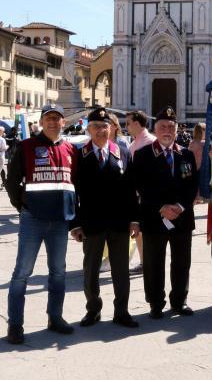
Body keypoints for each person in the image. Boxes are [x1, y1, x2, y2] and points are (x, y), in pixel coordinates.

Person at [5, 103, 77, 344]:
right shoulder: (26, 147)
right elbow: (12, 181)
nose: (53, 122)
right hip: (33, 220)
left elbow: (74, 184)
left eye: (57, 118)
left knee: (58, 273)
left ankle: (54, 317)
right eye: (49, 118)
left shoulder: (69, 149)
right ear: (42, 121)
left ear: (63, 122)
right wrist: (23, 206)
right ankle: (15, 324)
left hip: (59, 222)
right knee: (22, 273)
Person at [70, 107, 140, 328]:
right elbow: (72, 191)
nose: (101, 130)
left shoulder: (123, 153)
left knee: (121, 270)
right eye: (96, 127)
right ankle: (93, 310)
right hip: (91, 223)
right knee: (90, 271)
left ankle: (122, 311)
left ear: (111, 129)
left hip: (119, 223)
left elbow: (131, 189)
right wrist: (75, 224)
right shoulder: (79, 155)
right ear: (88, 129)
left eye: (104, 126)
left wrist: (134, 219)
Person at [132, 106, 198, 319]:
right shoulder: (143, 155)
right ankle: (156, 303)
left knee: (181, 261)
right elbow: (141, 186)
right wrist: (161, 207)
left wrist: (180, 206)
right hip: (154, 216)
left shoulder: (185, 154)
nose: (167, 130)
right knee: (153, 262)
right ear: (155, 129)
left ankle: (180, 301)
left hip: (181, 217)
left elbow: (192, 185)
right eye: (163, 126)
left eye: (171, 126)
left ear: (177, 129)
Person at [126, 110, 156, 272]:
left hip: (149, 196)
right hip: (137, 195)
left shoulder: (151, 142)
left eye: (128, 123)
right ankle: (145, 261)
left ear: (137, 124)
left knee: (149, 232)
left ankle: (150, 262)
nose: (127, 127)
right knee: (138, 231)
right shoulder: (134, 143)